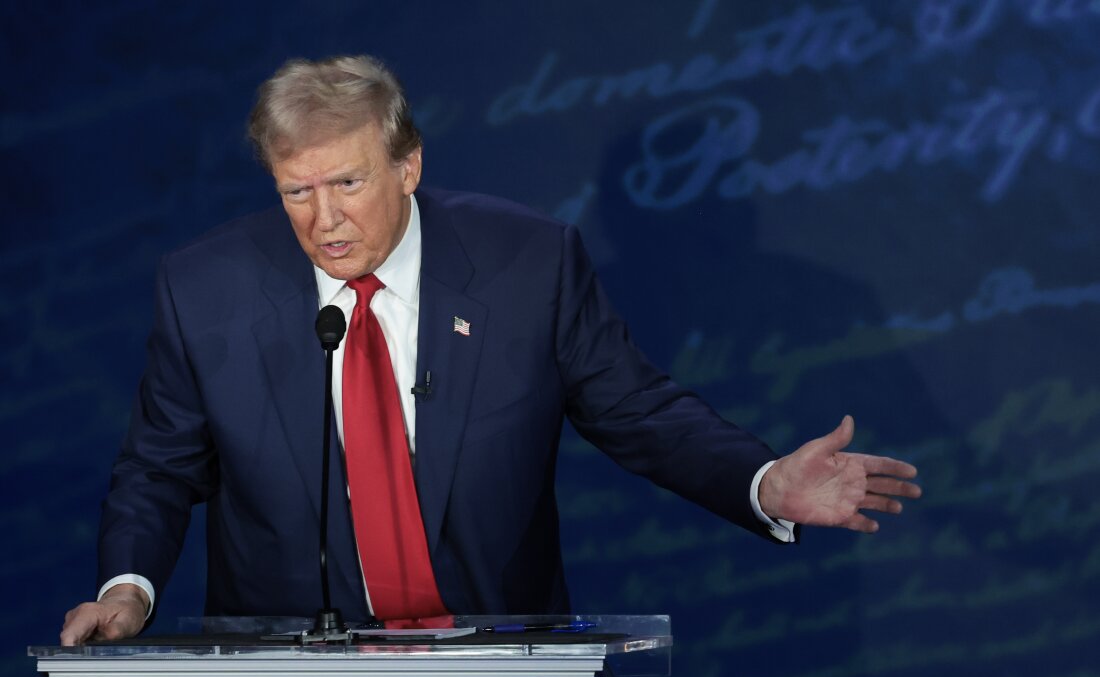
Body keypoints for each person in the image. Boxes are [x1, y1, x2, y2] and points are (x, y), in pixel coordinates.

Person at [60, 55, 919, 645]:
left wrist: (764, 481)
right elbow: (158, 467)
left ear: (409, 166)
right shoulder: (204, 287)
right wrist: (126, 590)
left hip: (496, 658)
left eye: (348, 183)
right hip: (286, 672)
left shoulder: (528, 265)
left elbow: (638, 413)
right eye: (297, 191)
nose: (323, 221)